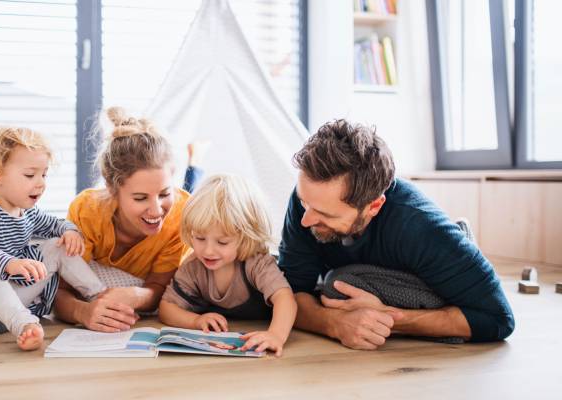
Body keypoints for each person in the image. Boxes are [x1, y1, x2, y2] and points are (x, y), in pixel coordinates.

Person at [278, 119, 515, 350]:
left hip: (427, 261)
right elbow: (288, 294)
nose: (305, 220)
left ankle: (462, 247)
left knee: (338, 285)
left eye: (324, 214)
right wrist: (334, 324)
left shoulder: (420, 227)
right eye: (303, 202)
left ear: (374, 206)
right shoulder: (310, 201)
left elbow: (498, 319)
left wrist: (389, 319)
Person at [0, 126, 106, 351]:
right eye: (30, 175)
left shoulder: (27, 212)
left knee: (55, 245)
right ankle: (24, 324)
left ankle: (99, 294)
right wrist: (9, 264)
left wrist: (70, 232)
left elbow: (56, 224)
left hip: (12, 293)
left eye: (44, 174)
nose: (40, 183)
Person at [52, 107, 194, 332]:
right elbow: (57, 290)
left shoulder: (181, 214)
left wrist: (138, 295)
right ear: (112, 189)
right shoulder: (88, 211)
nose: (157, 210)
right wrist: (82, 312)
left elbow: (160, 287)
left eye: (165, 194)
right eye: (140, 198)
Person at [159, 174, 297, 357]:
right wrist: (196, 321)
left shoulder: (256, 262)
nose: (208, 251)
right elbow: (166, 307)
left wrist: (275, 335)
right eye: (199, 238)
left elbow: (285, 298)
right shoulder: (193, 266)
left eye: (222, 242)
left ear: (245, 238)